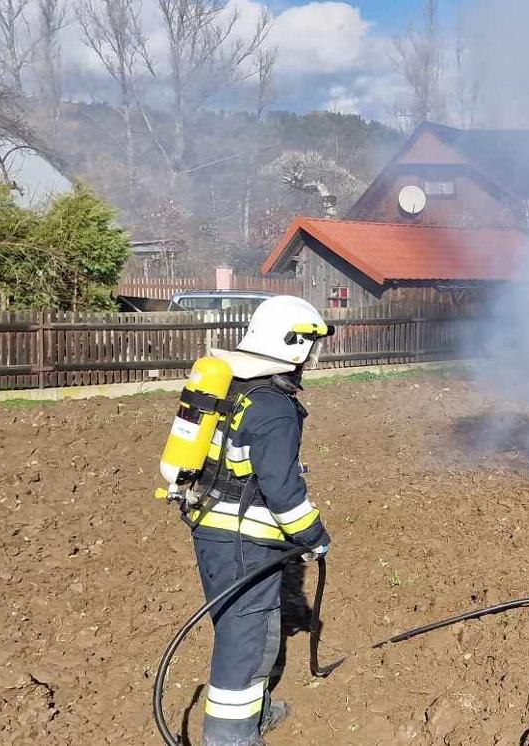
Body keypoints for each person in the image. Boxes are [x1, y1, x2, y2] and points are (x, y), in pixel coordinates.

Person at [184, 295, 334, 746]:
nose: (313, 357)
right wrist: (313, 535)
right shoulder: (274, 407)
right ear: (294, 346)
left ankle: (257, 712)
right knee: (244, 635)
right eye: (310, 346)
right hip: (241, 539)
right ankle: (230, 739)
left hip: (212, 527)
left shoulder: (232, 385)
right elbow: (282, 489)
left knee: (255, 625)